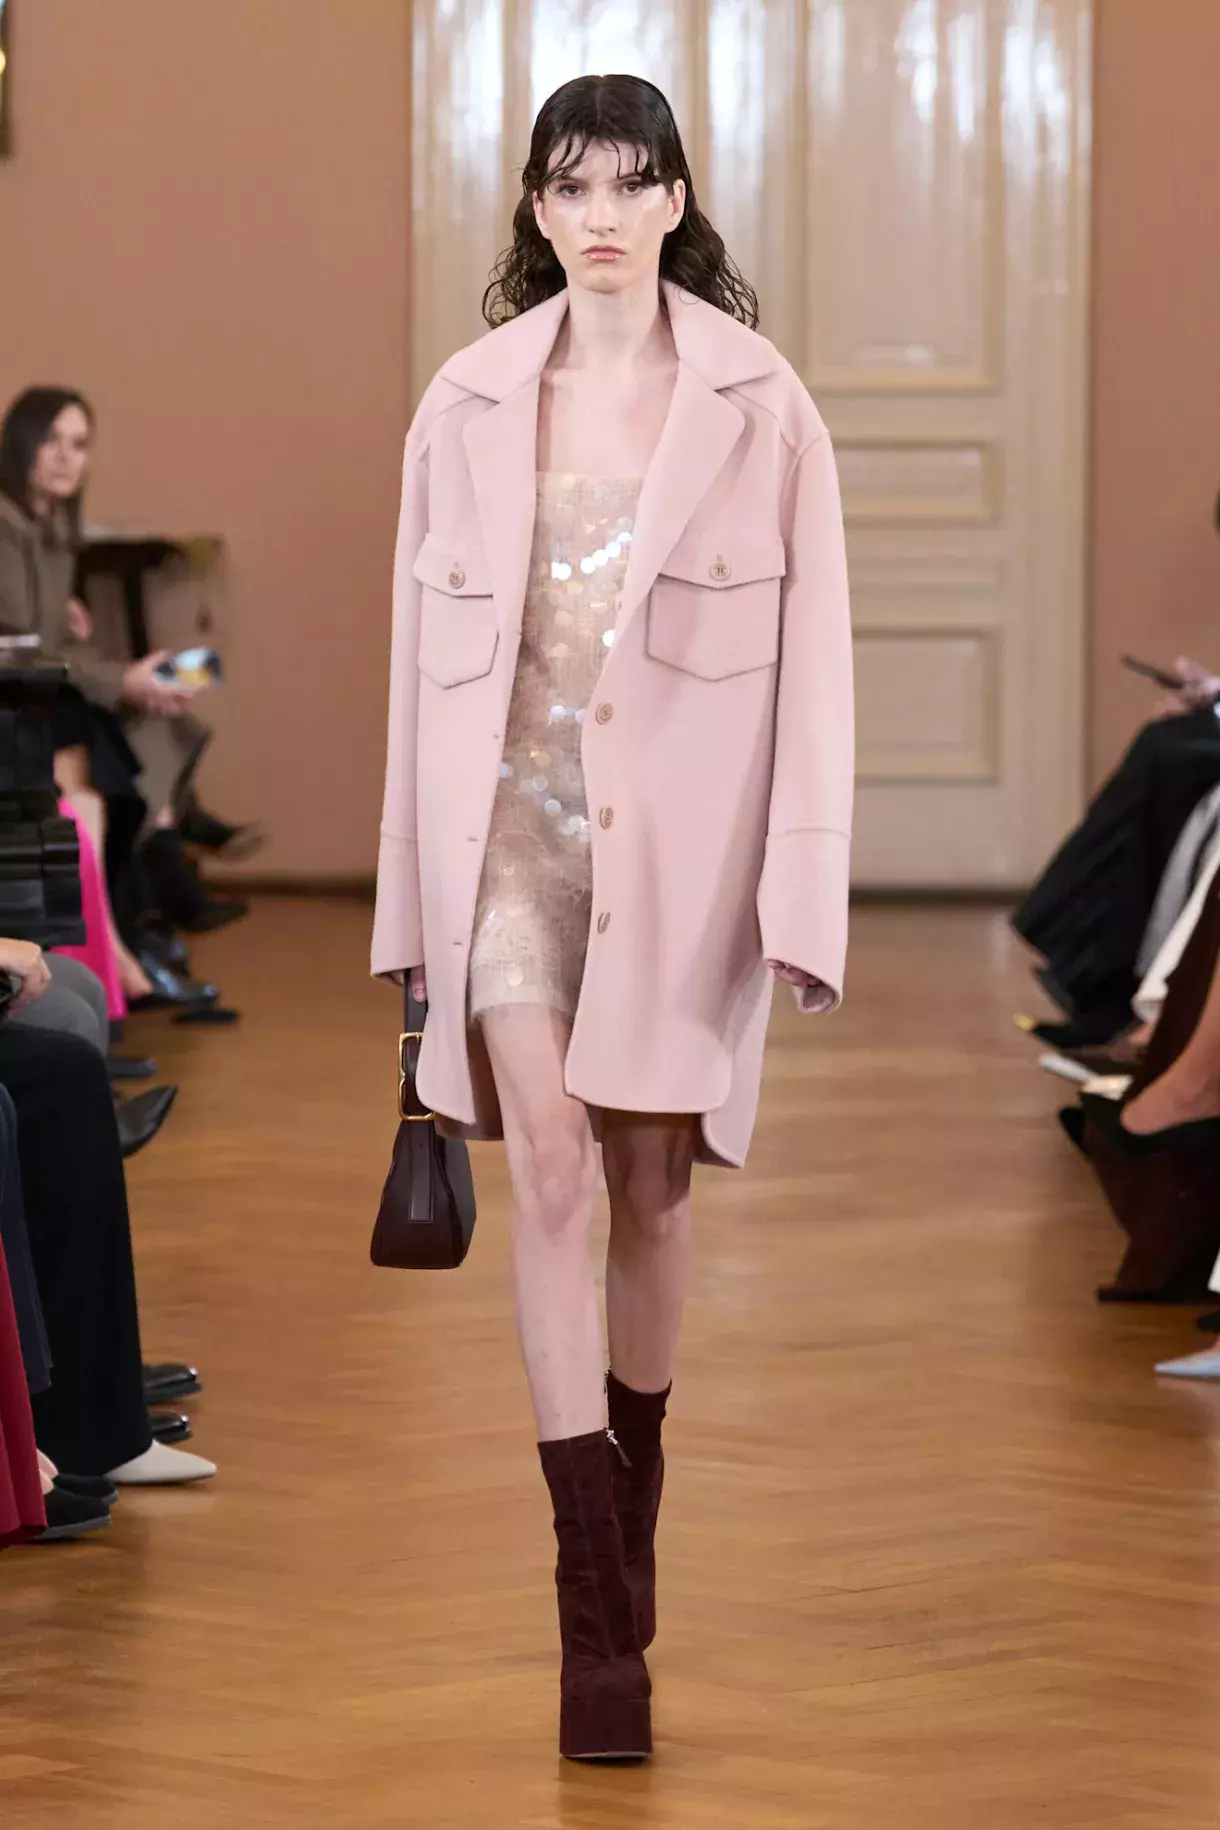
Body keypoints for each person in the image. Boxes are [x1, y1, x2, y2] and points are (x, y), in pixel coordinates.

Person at [371, 75, 853, 1762]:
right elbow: (419, 686)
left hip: (685, 865)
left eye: (631, 183)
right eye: (570, 185)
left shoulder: (762, 406)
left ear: (675, 203)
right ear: (533, 206)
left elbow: (818, 673)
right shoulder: (465, 405)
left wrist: (800, 887)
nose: (600, 215)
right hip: (507, 849)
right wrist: (410, 917)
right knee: (558, 1173)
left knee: (653, 1188)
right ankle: (594, 1614)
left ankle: (631, 1519)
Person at [0, 387, 243, 997]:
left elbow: (48, 640)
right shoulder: (7, 527)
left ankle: (150, 902)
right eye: (51, 440)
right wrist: (123, 678)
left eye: (79, 443)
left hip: (39, 688)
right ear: (21, 444)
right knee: (116, 740)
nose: (65, 456)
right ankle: (150, 905)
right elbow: (23, 646)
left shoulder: (51, 529)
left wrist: (120, 669)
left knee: (145, 722)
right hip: (18, 699)